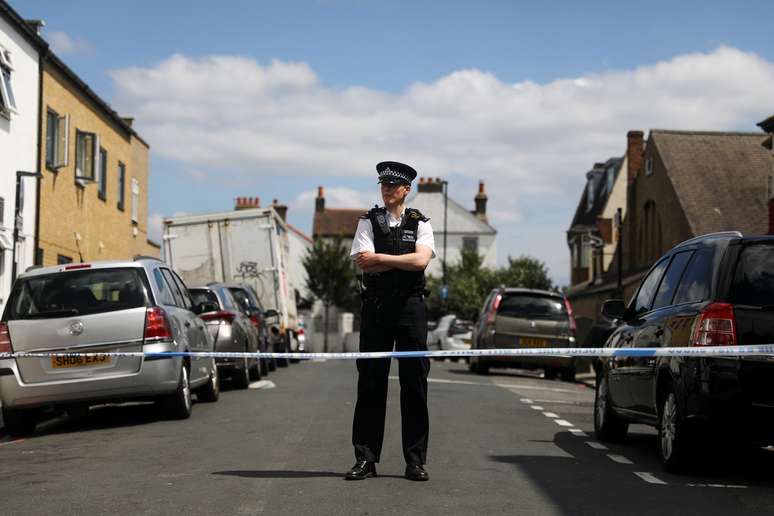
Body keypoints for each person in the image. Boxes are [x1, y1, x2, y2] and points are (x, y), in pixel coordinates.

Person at [345, 161, 435, 482]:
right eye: (382, 184)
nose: (386, 189)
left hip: (411, 309)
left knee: (415, 385)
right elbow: (364, 265)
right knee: (370, 383)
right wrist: (402, 262)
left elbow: (422, 260)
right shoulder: (367, 222)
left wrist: (382, 259)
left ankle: (415, 462)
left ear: (405, 189)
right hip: (377, 308)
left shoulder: (421, 223)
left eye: (392, 185)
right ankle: (366, 460)